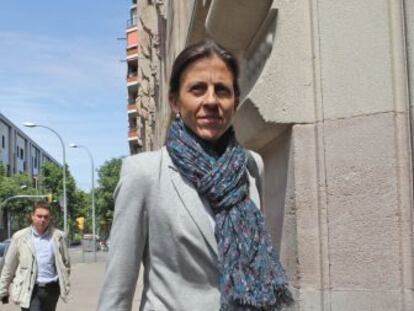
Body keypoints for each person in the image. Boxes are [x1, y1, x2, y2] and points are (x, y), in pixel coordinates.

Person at [98, 39, 293, 310]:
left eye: (222, 90)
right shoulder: (142, 173)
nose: (211, 100)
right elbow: (117, 292)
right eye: (197, 89)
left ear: (235, 101)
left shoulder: (252, 165)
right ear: (176, 101)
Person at [0, 201, 70, 311]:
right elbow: (9, 266)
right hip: (30, 289)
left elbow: (65, 263)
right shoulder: (20, 237)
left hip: (52, 290)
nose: (42, 220)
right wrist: (3, 290)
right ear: (32, 216)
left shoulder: (58, 237)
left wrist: (63, 282)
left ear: (50, 218)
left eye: (46, 217)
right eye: (39, 216)